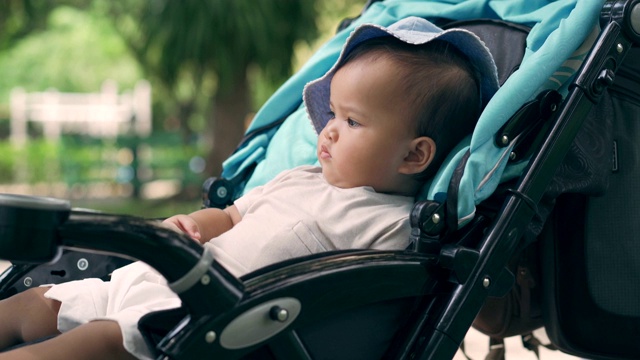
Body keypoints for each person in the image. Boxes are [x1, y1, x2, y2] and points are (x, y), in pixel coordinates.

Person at [0, 17, 498, 360]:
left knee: (93, 345)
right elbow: (236, 215)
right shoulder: (297, 178)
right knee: (38, 302)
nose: (327, 129)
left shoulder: (388, 223)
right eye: (331, 114)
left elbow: (370, 294)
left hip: (203, 324)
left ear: (415, 155)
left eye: (351, 121)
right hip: (154, 280)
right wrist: (197, 223)